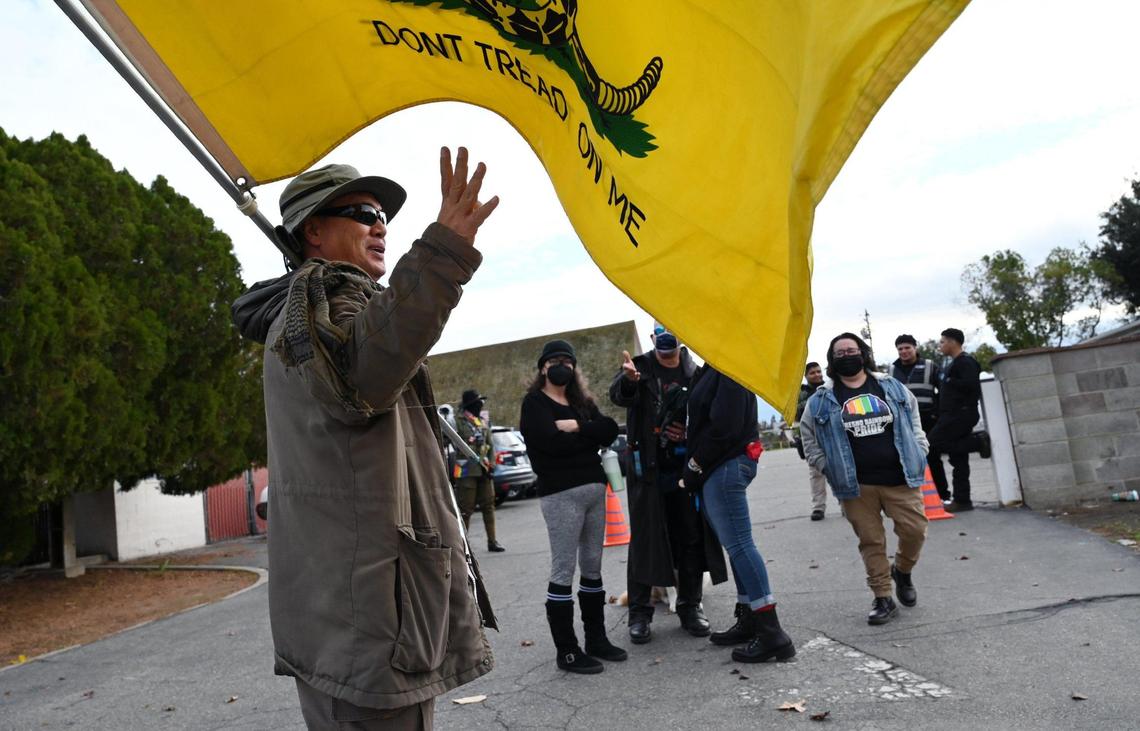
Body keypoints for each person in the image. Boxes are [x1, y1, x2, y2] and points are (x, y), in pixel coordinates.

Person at [231, 148, 499, 730]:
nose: (380, 225)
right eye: (360, 211)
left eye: (383, 215)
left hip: (354, 616)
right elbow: (365, 377)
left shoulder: (321, 307)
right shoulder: (319, 304)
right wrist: (443, 250)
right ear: (315, 234)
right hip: (369, 619)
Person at [608, 323, 727, 645]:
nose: (665, 338)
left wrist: (687, 435)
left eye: (671, 331)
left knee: (689, 540)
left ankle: (690, 608)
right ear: (651, 339)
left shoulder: (696, 372)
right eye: (659, 332)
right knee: (646, 543)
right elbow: (618, 395)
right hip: (647, 472)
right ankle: (640, 615)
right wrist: (630, 382)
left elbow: (709, 416)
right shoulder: (639, 368)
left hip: (687, 470)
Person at [801, 333, 930, 626]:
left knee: (915, 531)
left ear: (863, 353)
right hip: (855, 485)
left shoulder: (890, 386)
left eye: (851, 350)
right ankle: (883, 596)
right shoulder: (821, 400)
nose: (847, 355)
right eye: (840, 353)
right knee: (871, 541)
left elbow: (914, 420)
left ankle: (903, 571)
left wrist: (920, 450)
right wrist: (826, 467)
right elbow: (808, 438)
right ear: (832, 360)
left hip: (900, 478)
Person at [520, 340, 626, 674]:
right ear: (543, 367)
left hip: (596, 492)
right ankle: (567, 651)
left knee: (593, 565)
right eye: (554, 360)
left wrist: (578, 426)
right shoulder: (534, 403)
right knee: (564, 568)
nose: (561, 365)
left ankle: (596, 639)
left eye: (567, 360)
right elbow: (548, 444)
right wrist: (587, 438)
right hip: (560, 495)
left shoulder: (580, 403)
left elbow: (609, 430)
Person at [682, 365, 796, 663]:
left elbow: (725, 426)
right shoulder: (711, 367)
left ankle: (772, 633)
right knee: (737, 547)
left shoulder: (727, 365)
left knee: (741, 546)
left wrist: (695, 463)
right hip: (718, 466)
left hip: (723, 464)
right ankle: (751, 620)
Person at [929, 328, 991, 512]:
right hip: (951, 414)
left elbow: (971, 385)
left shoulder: (965, 362)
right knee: (958, 458)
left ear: (952, 342)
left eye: (942, 342)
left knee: (932, 444)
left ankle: (977, 442)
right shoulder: (952, 364)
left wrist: (949, 382)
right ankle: (963, 500)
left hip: (959, 414)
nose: (940, 346)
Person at [890, 335, 946, 498]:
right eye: (900, 349)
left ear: (915, 348)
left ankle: (943, 494)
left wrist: (937, 412)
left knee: (933, 457)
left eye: (907, 347)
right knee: (903, 459)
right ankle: (910, 496)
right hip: (902, 421)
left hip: (928, 419)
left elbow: (942, 391)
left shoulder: (930, 366)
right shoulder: (892, 370)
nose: (904, 351)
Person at [455, 388, 505, 552]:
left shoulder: (482, 420)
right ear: (470, 405)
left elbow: (490, 444)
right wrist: (472, 442)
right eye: (477, 402)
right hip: (466, 470)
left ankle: (492, 541)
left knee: (489, 506)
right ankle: (462, 546)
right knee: (465, 508)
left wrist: (492, 464)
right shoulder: (458, 421)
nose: (480, 405)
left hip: (485, 469)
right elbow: (460, 444)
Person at [795, 362, 829, 521]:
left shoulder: (830, 387)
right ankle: (818, 507)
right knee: (816, 475)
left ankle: (846, 504)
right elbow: (797, 414)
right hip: (813, 438)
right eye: (812, 373)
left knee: (841, 471)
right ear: (806, 376)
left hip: (832, 436)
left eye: (818, 371)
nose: (816, 375)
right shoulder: (801, 393)